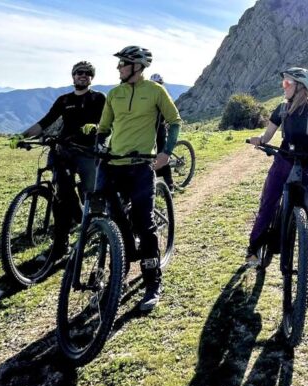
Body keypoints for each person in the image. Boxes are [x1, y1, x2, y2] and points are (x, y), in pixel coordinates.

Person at [82, 46, 182, 311]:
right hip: (113, 165)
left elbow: (174, 121)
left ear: (137, 66)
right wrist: (99, 144)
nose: (118, 68)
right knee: (112, 221)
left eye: (123, 64)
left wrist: (166, 152)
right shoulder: (114, 94)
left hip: (140, 166)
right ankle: (118, 271)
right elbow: (104, 128)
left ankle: (152, 283)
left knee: (144, 224)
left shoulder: (155, 91)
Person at [247, 67, 308, 301]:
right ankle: (253, 248)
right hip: (283, 162)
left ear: (300, 86)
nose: (284, 87)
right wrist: (260, 140)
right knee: (268, 203)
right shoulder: (282, 108)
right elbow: (268, 135)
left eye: (287, 83)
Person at [10, 61, 106, 264]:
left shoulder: (98, 98)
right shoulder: (64, 100)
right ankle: (61, 243)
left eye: (87, 73)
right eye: (79, 72)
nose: (83, 75)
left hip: (87, 151)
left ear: (92, 78)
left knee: (92, 192)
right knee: (60, 197)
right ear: (73, 76)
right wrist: (22, 136)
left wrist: (95, 127)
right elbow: (45, 122)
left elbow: (107, 122)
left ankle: (99, 230)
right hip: (64, 150)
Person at [150, 73, 176, 191]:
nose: (156, 86)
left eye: (158, 84)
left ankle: (170, 185)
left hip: (159, 131)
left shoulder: (164, 97)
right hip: (148, 131)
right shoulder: (149, 97)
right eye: (154, 84)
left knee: (162, 156)